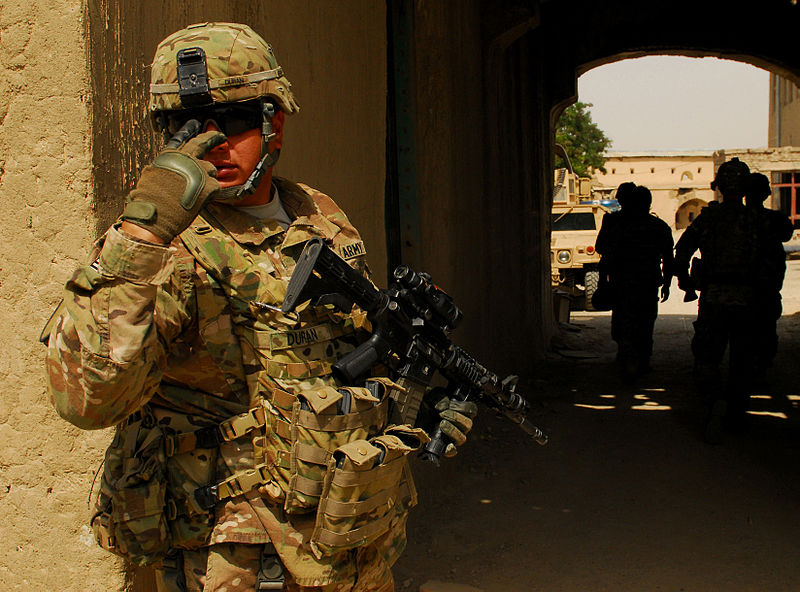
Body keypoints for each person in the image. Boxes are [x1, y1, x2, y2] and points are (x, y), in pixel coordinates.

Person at [43, 23, 476, 592]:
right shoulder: (162, 249)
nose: (213, 144)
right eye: (186, 128)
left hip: (347, 540)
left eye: (239, 120)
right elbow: (86, 400)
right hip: (237, 558)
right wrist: (144, 231)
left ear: (279, 120)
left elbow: (338, 356)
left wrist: (412, 401)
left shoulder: (316, 214)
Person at [675, 158, 767, 442]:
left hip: (714, 298)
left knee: (707, 357)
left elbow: (682, 252)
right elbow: (772, 262)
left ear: (719, 187)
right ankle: (735, 415)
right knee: (743, 359)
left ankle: (715, 405)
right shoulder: (757, 219)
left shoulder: (708, 218)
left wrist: (686, 281)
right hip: (748, 300)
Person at [595, 183, 674, 379]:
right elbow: (669, 258)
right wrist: (668, 284)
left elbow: (602, 250)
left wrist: (602, 282)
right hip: (646, 283)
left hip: (621, 282)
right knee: (645, 323)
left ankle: (627, 357)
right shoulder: (659, 226)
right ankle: (642, 361)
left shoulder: (614, 223)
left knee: (623, 321)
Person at [745, 172, 793, 377]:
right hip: (766, 288)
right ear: (766, 193)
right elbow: (786, 234)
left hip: (745, 286)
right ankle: (760, 367)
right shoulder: (776, 220)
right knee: (765, 329)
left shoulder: (732, 218)